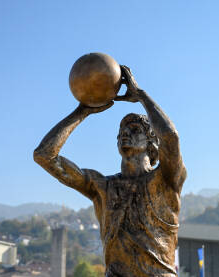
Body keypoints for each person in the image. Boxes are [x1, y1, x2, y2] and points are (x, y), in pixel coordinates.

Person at [34, 66, 187, 277]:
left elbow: (171, 137)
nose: (125, 134)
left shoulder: (165, 179)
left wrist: (142, 96)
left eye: (134, 130)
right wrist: (82, 112)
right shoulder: (102, 187)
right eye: (122, 132)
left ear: (152, 145)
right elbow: (44, 155)